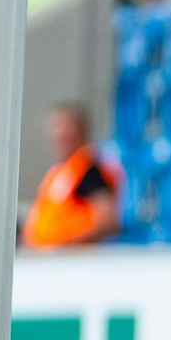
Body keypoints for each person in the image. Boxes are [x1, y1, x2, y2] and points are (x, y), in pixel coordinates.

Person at [23, 103, 122, 249]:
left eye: (67, 127)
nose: (61, 133)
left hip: (72, 262)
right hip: (49, 260)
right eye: (56, 127)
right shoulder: (60, 172)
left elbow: (108, 219)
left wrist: (68, 245)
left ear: (81, 132)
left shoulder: (88, 170)